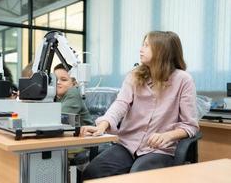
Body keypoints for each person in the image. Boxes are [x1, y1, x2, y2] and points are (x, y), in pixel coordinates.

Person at [81, 31, 199, 180]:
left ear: (161, 51)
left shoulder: (183, 80)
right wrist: (102, 125)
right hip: (127, 144)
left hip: (159, 150)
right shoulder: (134, 76)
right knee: (92, 172)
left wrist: (168, 135)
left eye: (146, 45)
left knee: (138, 177)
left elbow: (190, 125)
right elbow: (120, 104)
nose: (140, 49)